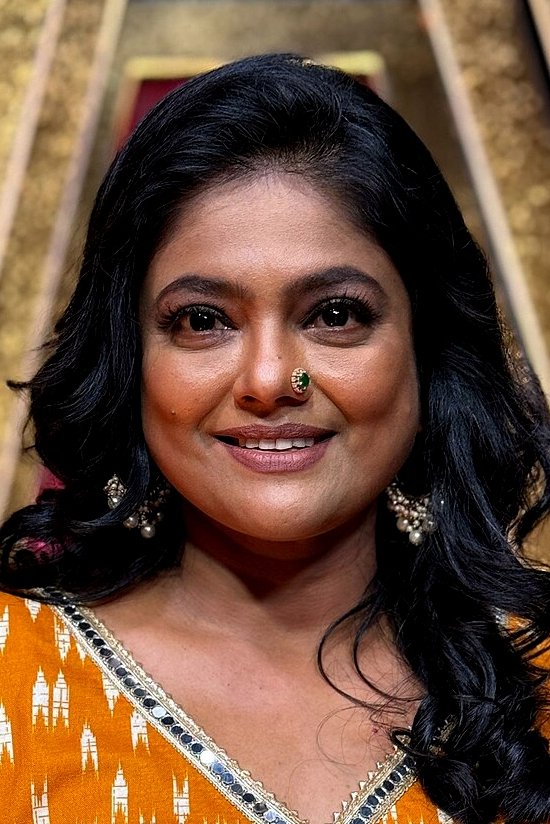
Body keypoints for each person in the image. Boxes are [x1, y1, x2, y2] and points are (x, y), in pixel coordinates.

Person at [0, 53, 549, 824]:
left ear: (427, 354)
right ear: (129, 361)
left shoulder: (533, 677)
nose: (268, 380)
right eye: (203, 320)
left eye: (335, 315)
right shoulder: (14, 675)